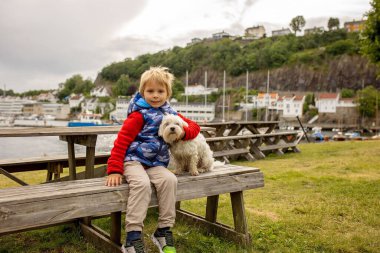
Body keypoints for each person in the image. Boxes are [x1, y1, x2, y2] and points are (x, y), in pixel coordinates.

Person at [106, 66, 200, 253]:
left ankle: (163, 230)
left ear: (167, 93)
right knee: (141, 184)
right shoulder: (138, 115)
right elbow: (121, 142)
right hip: (133, 161)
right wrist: (115, 169)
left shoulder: (169, 113)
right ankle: (133, 237)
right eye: (150, 91)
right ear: (142, 92)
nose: (155, 96)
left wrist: (182, 133)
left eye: (160, 91)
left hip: (155, 163)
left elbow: (194, 127)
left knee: (170, 180)